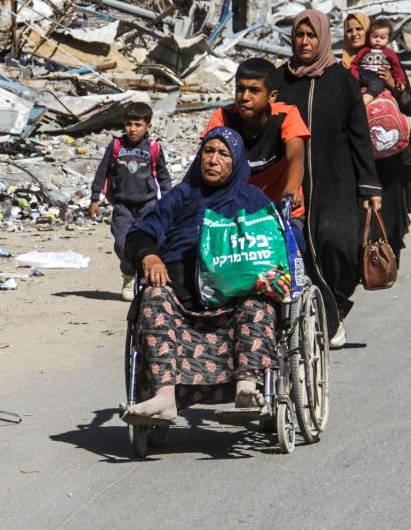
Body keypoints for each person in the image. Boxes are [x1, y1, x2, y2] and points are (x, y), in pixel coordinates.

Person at [121, 127, 288, 424]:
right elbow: (141, 232)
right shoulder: (182, 197)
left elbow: (282, 242)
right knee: (153, 296)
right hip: (181, 295)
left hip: (235, 300)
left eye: (223, 154)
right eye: (208, 152)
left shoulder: (253, 202)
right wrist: (149, 256)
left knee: (259, 307)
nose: (213, 160)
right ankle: (164, 397)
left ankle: (247, 387)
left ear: (236, 162)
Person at [275, 10, 382, 349]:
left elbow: (360, 136)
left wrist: (369, 185)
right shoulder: (280, 81)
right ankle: (323, 320)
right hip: (292, 185)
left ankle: (333, 307)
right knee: (300, 252)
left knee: (340, 247)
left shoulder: (342, 81)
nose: (304, 42)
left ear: (322, 38)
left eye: (311, 36)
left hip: (337, 180)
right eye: (299, 36)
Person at [342, 18, 411, 266]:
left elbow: (409, 106)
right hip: (361, 154)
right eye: (350, 30)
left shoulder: (387, 61)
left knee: (391, 210)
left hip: (393, 153)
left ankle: (387, 261)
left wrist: (392, 83)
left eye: (360, 29)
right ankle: (366, 262)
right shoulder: (342, 67)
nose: (355, 33)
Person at [202, 57, 310, 223]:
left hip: (279, 211)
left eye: (254, 90)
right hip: (234, 213)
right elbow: (203, 161)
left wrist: (292, 188)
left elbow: (296, 156)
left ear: (272, 96)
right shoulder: (223, 118)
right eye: (240, 89)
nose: (244, 97)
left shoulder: (285, 116)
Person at [89, 102, 173, 301]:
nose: (132, 129)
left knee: (150, 243)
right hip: (122, 205)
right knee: (121, 243)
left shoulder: (153, 148)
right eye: (128, 124)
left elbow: (163, 176)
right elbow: (102, 172)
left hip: (148, 205)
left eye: (138, 124)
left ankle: (145, 278)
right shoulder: (117, 146)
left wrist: (170, 202)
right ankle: (128, 273)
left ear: (148, 126)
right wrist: (94, 198)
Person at [350, 19, 408, 105]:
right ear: (369, 36)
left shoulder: (390, 53)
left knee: (379, 83)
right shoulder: (364, 51)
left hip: (377, 76)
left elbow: (397, 69)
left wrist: (400, 82)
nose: (378, 40)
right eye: (374, 36)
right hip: (362, 74)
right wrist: (355, 77)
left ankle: (363, 102)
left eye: (382, 38)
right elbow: (354, 64)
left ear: (388, 39)